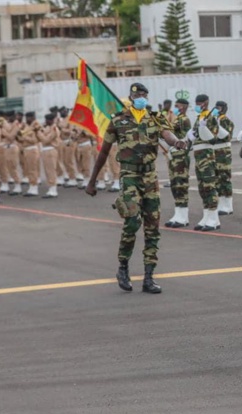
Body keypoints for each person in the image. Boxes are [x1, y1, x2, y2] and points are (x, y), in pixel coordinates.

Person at [85, 82, 186, 294]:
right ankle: (123, 267)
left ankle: (149, 277)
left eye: (144, 94)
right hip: (129, 175)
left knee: (152, 225)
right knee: (132, 221)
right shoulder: (118, 120)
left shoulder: (155, 117)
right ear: (131, 97)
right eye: (138, 94)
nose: (141, 97)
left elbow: (167, 135)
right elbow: (104, 152)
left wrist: (177, 143)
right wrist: (92, 180)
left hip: (150, 176)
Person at [190, 94, 221, 231]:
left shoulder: (211, 118)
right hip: (198, 156)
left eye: (200, 103)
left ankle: (214, 218)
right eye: (196, 103)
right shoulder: (200, 117)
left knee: (209, 186)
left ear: (207, 103)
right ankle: (206, 215)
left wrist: (204, 128)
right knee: (202, 187)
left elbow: (213, 138)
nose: (198, 105)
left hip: (207, 156)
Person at [164, 98, 193, 228]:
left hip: (181, 154)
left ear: (184, 107)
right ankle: (178, 213)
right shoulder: (176, 119)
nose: (175, 108)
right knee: (175, 184)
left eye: (177, 106)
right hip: (174, 154)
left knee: (181, 184)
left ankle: (183, 216)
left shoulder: (183, 120)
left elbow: (166, 129)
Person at [213, 101, 235, 215]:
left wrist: (216, 125)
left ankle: (228, 205)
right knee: (217, 179)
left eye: (220, 107)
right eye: (216, 107)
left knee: (224, 177)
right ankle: (221, 203)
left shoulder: (226, 121)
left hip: (223, 152)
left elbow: (226, 136)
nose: (218, 109)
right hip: (215, 152)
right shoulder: (214, 120)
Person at [18, 111, 42, 197]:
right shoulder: (26, 126)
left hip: (32, 149)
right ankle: (31, 186)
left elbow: (35, 140)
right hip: (26, 149)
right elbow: (21, 139)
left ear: (33, 117)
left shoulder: (36, 126)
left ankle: (34, 187)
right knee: (28, 169)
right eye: (26, 117)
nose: (27, 119)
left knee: (32, 169)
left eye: (29, 117)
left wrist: (24, 136)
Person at [37, 113, 61, 198]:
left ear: (51, 120)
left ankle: (53, 190)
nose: (45, 122)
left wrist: (39, 133)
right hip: (46, 150)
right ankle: (51, 188)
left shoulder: (54, 129)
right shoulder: (48, 128)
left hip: (51, 150)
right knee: (47, 170)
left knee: (51, 170)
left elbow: (46, 140)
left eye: (47, 120)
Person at [0, 111, 22, 196]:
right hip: (7, 147)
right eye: (8, 117)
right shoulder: (9, 125)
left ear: (14, 116)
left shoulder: (16, 124)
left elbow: (11, 137)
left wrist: (3, 131)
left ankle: (18, 185)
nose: (9, 118)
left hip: (13, 147)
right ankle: (15, 184)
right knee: (8, 166)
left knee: (13, 166)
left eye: (11, 116)